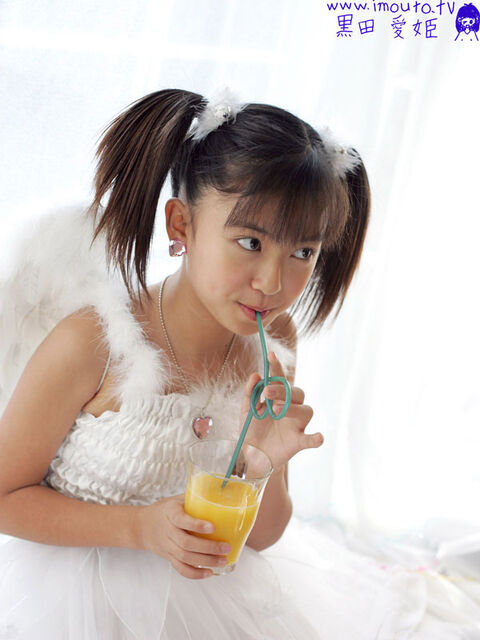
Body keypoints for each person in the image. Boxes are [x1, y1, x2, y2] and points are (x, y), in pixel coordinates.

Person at [0, 87, 475, 640]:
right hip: (72, 604)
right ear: (181, 225)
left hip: (210, 603)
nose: (273, 282)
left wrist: (261, 460)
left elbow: (263, 536)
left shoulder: (273, 341)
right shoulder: (92, 341)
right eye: (250, 242)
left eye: (303, 252)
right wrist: (138, 528)